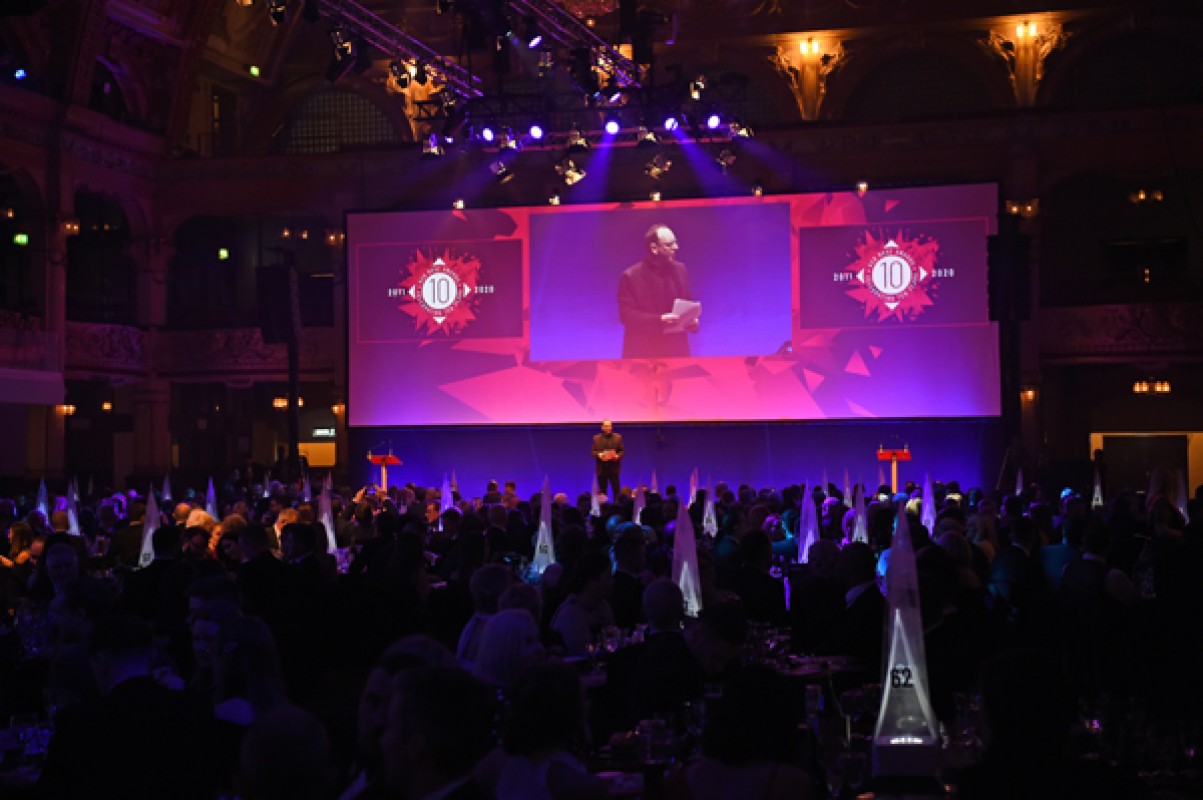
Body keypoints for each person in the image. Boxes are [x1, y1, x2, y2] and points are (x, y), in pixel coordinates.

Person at [618, 224, 700, 358]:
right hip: (644, 351)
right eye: (669, 245)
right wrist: (659, 320)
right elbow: (627, 316)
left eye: (675, 243)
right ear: (654, 248)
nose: (676, 247)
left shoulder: (680, 269)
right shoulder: (631, 276)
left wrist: (691, 321)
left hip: (676, 351)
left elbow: (687, 302)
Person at [591, 420, 624, 501]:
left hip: (614, 468)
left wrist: (617, 456)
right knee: (602, 491)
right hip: (602, 469)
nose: (608, 428)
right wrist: (599, 454)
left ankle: (617, 505)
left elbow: (622, 451)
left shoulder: (618, 438)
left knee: (616, 490)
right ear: (602, 427)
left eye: (609, 426)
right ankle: (603, 506)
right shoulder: (596, 438)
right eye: (606, 426)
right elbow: (593, 452)